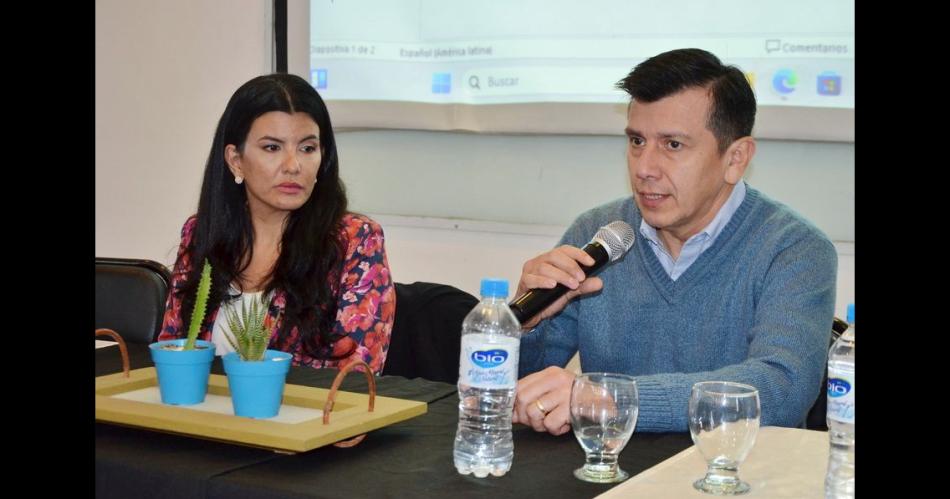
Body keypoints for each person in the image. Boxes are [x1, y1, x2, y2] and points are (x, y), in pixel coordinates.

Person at [511, 48, 837, 433]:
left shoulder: (794, 249)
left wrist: (612, 400)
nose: (645, 168)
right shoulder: (597, 233)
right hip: (608, 472)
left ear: (736, 158)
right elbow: (517, 391)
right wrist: (524, 325)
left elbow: (781, 389)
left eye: (673, 145)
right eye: (636, 141)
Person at [158, 73, 394, 375]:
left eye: (308, 149)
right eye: (272, 148)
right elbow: (173, 351)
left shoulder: (355, 239)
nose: (293, 165)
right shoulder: (201, 232)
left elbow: (356, 374)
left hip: (306, 419)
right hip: (200, 417)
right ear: (236, 160)